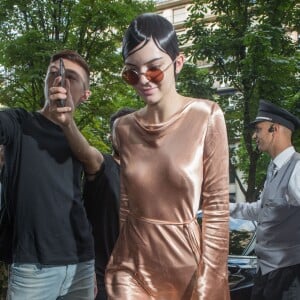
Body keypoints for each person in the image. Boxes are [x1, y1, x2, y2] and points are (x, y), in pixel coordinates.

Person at [48, 13, 230, 300]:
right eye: (132, 73)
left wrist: (212, 277)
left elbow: (218, 207)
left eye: (154, 69)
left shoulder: (206, 116)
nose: (143, 80)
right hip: (131, 266)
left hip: (187, 268)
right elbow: (126, 203)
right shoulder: (124, 128)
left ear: (177, 63)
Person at [0, 49, 95, 300]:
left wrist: (91, 266)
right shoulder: (19, 122)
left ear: (85, 95)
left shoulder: (80, 142)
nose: (59, 80)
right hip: (33, 267)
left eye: (70, 77)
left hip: (82, 264)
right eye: (52, 73)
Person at [230, 100, 300, 300]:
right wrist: (222, 207)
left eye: (258, 130)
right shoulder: (274, 168)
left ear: (274, 129)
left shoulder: (297, 169)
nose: (254, 136)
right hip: (267, 274)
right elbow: (261, 210)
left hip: (289, 278)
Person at [83, 107, 136, 300]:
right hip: (101, 274)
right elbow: (86, 151)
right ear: (111, 135)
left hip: (137, 274)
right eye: (118, 130)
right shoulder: (101, 165)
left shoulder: (148, 176)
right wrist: (65, 121)